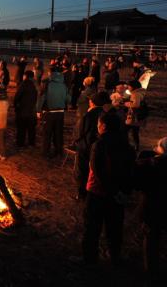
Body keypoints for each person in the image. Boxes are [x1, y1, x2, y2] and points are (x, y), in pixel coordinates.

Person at [82, 112, 135, 266]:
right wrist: (123, 192)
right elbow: (130, 171)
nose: (97, 127)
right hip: (117, 195)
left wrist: (111, 190)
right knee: (115, 228)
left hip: (98, 192)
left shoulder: (99, 144)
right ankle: (114, 257)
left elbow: (97, 170)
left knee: (92, 227)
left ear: (103, 126)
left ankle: (90, 260)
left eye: (99, 124)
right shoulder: (127, 146)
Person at [134, 137, 167, 278]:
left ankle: (151, 270)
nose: (155, 148)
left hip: (152, 207)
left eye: (158, 146)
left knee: (151, 238)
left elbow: (138, 183)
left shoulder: (153, 164)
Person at [75, 92, 109, 201]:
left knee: (82, 170)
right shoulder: (105, 114)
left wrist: (77, 142)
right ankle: (91, 191)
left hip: (86, 146)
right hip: (99, 146)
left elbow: (80, 132)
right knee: (94, 170)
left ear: (92, 102)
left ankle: (82, 193)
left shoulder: (88, 115)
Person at [37, 68, 70, 159]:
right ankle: (58, 151)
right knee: (58, 133)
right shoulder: (64, 85)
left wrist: (38, 110)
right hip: (60, 113)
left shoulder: (47, 84)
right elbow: (68, 99)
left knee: (47, 134)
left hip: (49, 113)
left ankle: (45, 152)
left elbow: (42, 98)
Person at [14, 70, 37, 148]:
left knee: (21, 128)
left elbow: (17, 96)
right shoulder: (35, 85)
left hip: (23, 110)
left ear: (26, 76)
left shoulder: (24, 84)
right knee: (31, 128)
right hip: (32, 110)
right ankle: (31, 143)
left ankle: (20, 143)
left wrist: (16, 105)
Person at [124, 80, 147, 152]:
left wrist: (126, 104)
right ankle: (136, 146)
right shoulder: (141, 92)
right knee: (135, 132)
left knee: (125, 130)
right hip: (138, 116)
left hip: (133, 116)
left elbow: (136, 105)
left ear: (133, 86)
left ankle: (126, 145)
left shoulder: (135, 94)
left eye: (129, 86)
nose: (128, 87)